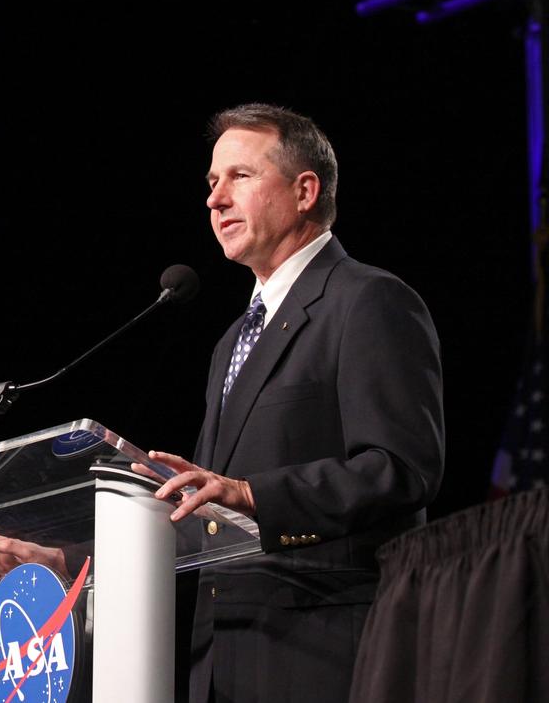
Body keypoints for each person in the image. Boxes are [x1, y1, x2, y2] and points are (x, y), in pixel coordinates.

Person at [146, 103, 444, 702]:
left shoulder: (369, 301)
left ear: (305, 190)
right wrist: (75, 559)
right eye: (211, 183)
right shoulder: (232, 341)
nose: (215, 199)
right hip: (221, 663)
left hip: (324, 655)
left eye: (239, 177)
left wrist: (255, 493)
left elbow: (401, 469)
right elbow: (209, 513)